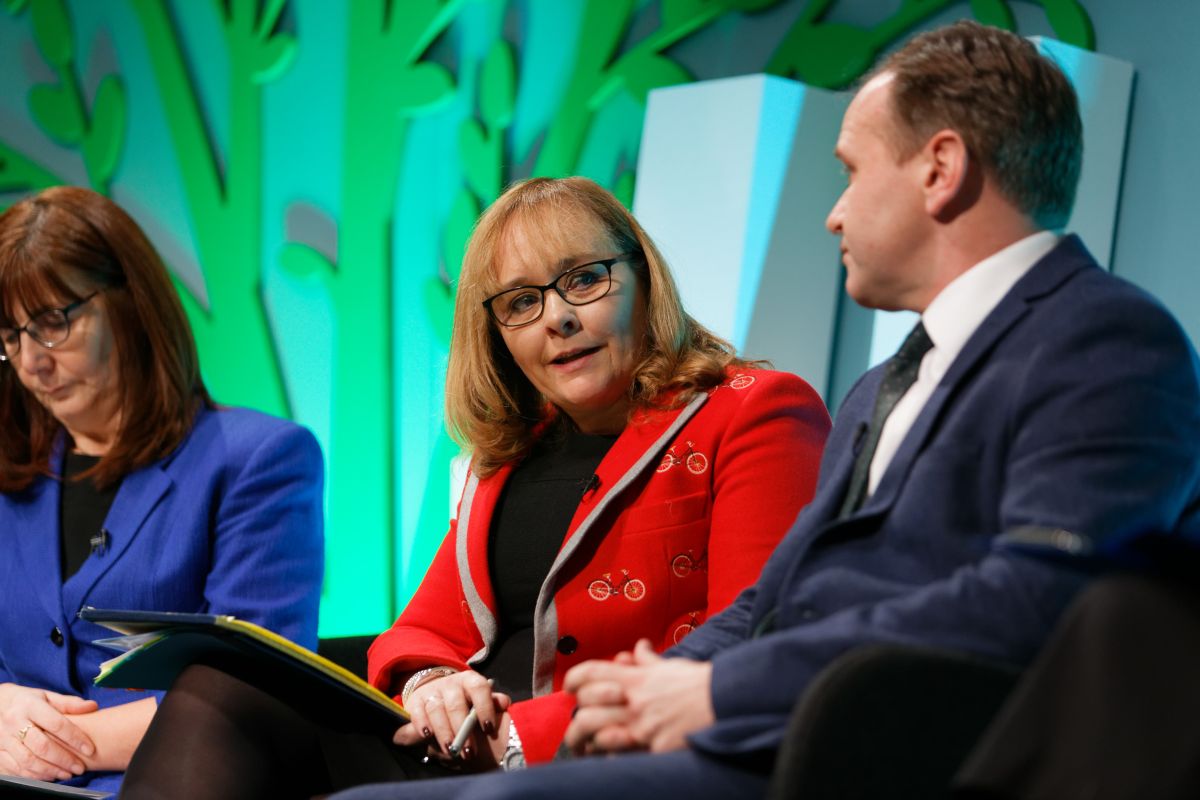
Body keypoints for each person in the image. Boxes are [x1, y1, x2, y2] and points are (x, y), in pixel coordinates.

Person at [322, 19, 1200, 800]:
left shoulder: (1105, 337)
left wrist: (712, 693)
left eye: (852, 173)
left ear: (940, 169)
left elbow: (1044, 598)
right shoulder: (880, 386)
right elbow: (773, 602)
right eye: (517, 303)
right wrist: (629, 696)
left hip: (882, 746)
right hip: (782, 729)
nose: (833, 213)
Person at [118, 177, 831, 798]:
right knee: (220, 687)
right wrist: (431, 682)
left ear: (643, 280)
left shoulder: (752, 410)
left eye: (585, 279)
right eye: (522, 302)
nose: (558, 317)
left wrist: (523, 731)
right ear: (496, 333)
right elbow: (424, 627)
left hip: (595, 754)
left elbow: (752, 639)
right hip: (455, 743)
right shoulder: (513, 448)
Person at [0, 186, 324, 794]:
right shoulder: (9, 477)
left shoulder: (258, 458)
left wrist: (39, 744)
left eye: (52, 323)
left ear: (131, 303)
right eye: (10, 336)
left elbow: (255, 687)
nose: (30, 364)